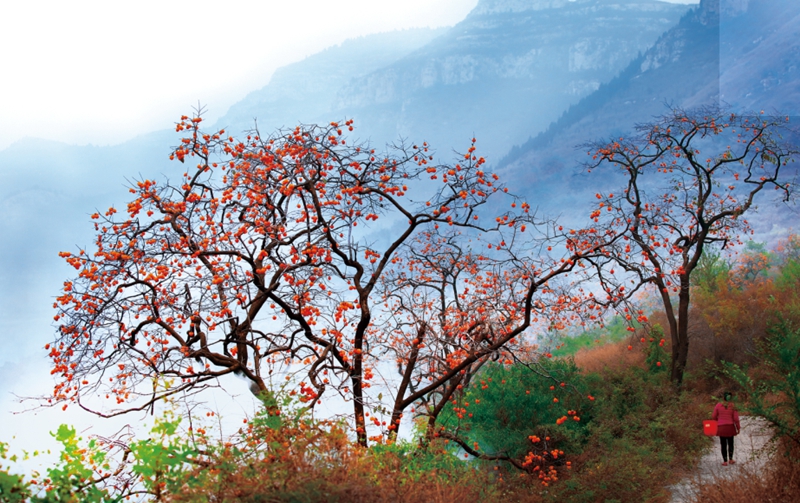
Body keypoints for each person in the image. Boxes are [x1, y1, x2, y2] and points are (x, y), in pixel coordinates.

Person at [712, 391, 741, 466]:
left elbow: (714, 416)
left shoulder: (718, 405)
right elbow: (736, 419)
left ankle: (725, 461)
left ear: (723, 397)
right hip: (730, 427)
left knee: (723, 444)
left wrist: (717, 422)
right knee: (731, 443)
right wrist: (738, 428)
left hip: (721, 427)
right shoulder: (732, 406)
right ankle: (731, 459)